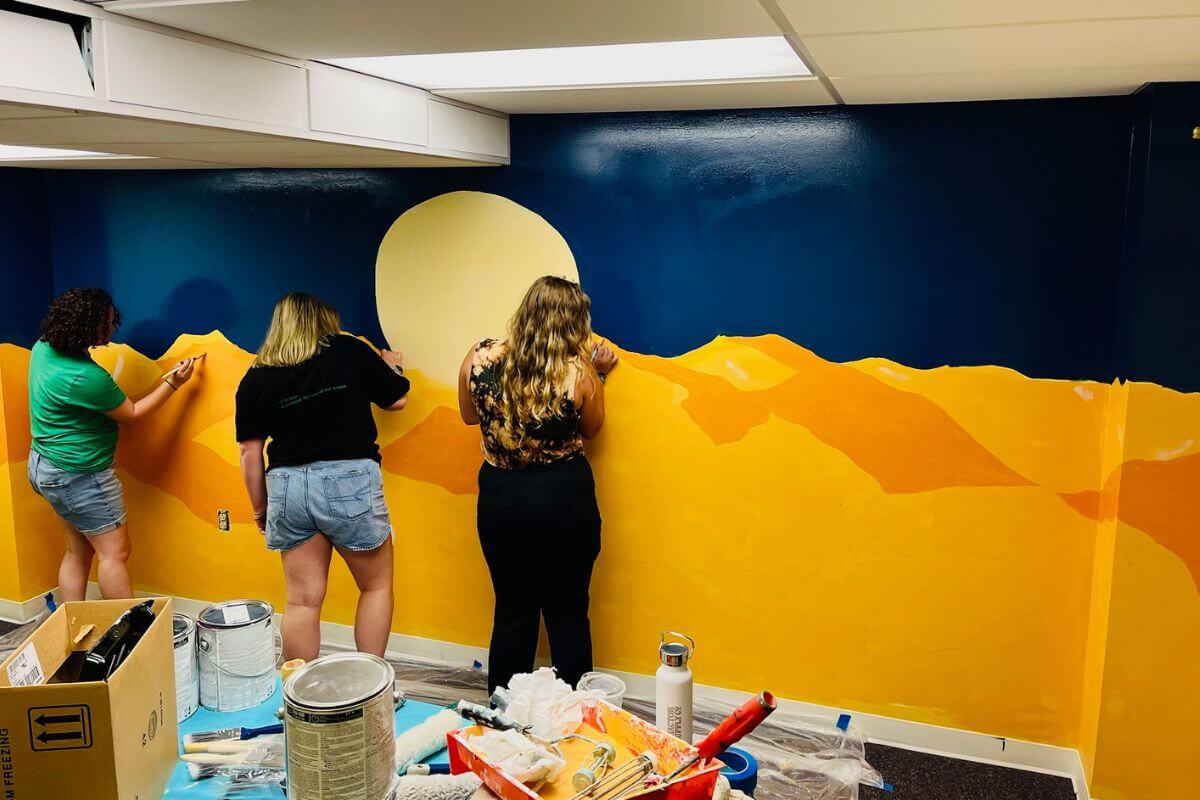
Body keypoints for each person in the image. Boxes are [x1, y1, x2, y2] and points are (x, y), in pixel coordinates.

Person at [457, 275, 619, 693]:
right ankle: (575, 722)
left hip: (502, 499)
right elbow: (594, 429)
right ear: (574, 323)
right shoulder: (578, 370)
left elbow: (469, 416)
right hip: (563, 499)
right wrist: (600, 377)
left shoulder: (479, 357)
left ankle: (505, 718)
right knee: (568, 611)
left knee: (512, 610)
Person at [236, 292, 410, 661]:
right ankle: (368, 686)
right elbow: (396, 400)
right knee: (375, 587)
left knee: (302, 601)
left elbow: (249, 452)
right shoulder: (348, 350)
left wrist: (259, 508)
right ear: (323, 322)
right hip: (348, 479)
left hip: (286, 486)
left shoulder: (257, 375)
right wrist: (392, 366)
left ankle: (300, 694)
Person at [28, 287, 198, 601]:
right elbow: (132, 415)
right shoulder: (85, 377)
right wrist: (173, 382)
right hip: (79, 475)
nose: (113, 327)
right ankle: (123, 638)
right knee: (114, 554)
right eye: (106, 323)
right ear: (84, 328)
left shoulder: (43, 347)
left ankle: (73, 629)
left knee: (77, 550)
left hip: (45, 466)